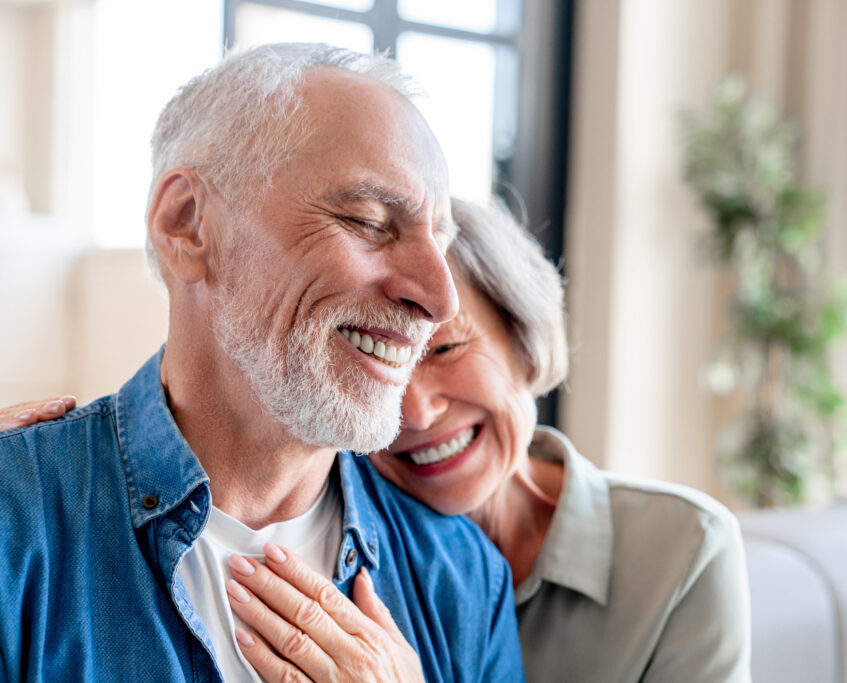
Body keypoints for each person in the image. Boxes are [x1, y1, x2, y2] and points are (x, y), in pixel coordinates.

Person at [3, 198, 752, 681]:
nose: (417, 410)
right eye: (384, 365)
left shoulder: (677, 554)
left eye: (449, 349)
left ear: (525, 347)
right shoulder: (337, 513)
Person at [0, 44, 525, 682]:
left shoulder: (464, 580)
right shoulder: (15, 525)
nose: (440, 298)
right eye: (368, 221)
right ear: (187, 224)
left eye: (439, 242)